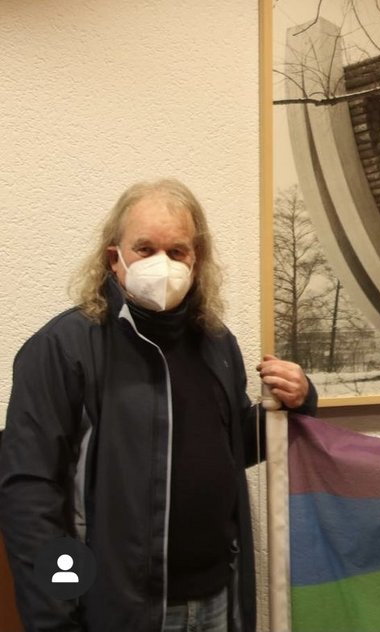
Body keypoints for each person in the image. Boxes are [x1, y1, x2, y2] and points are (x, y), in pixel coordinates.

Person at [0, 178, 317, 631]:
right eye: (145, 249)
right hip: (117, 611)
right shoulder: (63, 349)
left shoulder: (216, 344)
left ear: (196, 260)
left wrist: (295, 402)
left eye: (177, 251)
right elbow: (31, 495)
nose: (162, 264)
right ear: (115, 258)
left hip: (216, 601)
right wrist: (56, 618)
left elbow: (229, 448)